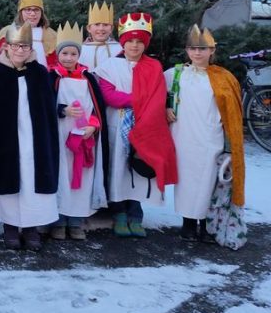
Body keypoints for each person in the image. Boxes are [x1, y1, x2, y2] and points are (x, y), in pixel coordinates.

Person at [94, 13, 178, 238]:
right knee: (119, 168)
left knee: (139, 169)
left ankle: (136, 214)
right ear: (123, 42)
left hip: (146, 123)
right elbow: (108, 95)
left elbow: (158, 96)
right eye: (130, 40)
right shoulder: (110, 66)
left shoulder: (153, 66)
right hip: (117, 123)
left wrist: (143, 104)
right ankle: (119, 213)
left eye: (139, 41)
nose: (134, 45)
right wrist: (140, 99)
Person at [0, 22, 60, 252]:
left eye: (24, 46)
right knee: (9, 178)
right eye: (15, 46)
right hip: (6, 137)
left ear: (30, 49)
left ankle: (31, 228)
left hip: (35, 138)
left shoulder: (40, 73)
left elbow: (47, 107)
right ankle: (10, 226)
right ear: (6, 47)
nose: (19, 50)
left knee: (31, 179)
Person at [165, 25, 245, 242]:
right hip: (183, 136)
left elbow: (232, 114)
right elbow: (156, 96)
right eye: (192, 48)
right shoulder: (174, 74)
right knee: (187, 181)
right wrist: (166, 108)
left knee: (209, 182)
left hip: (211, 137)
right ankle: (188, 223)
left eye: (202, 48)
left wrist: (230, 144)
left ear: (212, 50)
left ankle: (208, 225)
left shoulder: (223, 78)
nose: (197, 53)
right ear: (187, 50)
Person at [48, 22, 109, 241]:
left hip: (83, 136)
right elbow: (44, 105)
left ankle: (75, 221)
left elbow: (97, 107)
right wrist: (62, 110)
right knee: (61, 175)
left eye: (73, 53)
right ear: (58, 54)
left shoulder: (89, 78)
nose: (68, 57)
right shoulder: (51, 77)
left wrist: (93, 125)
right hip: (59, 135)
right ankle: (57, 221)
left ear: (79, 55)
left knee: (82, 176)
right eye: (64, 53)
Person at [0, 0, 57, 68]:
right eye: (28, 10)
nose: (32, 14)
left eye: (36, 10)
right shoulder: (8, 31)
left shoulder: (52, 35)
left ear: (41, 13)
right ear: (21, 12)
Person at [79, 2, 122, 71]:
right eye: (97, 24)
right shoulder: (80, 50)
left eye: (105, 25)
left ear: (111, 29)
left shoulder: (120, 49)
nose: (101, 28)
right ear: (89, 28)